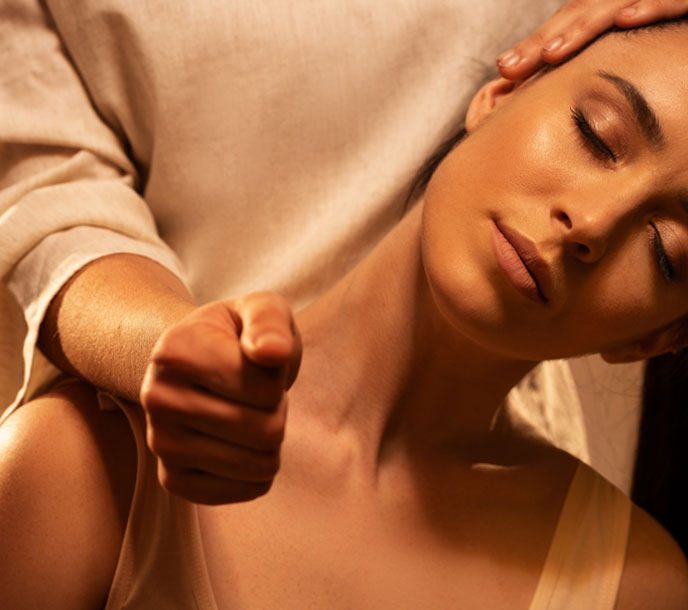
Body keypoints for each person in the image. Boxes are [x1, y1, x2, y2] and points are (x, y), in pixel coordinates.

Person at [3, 14, 688, 609]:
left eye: (665, 252)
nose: (592, 223)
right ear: (503, 91)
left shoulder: (636, 587)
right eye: (596, 134)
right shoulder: (87, 468)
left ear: (654, 340)